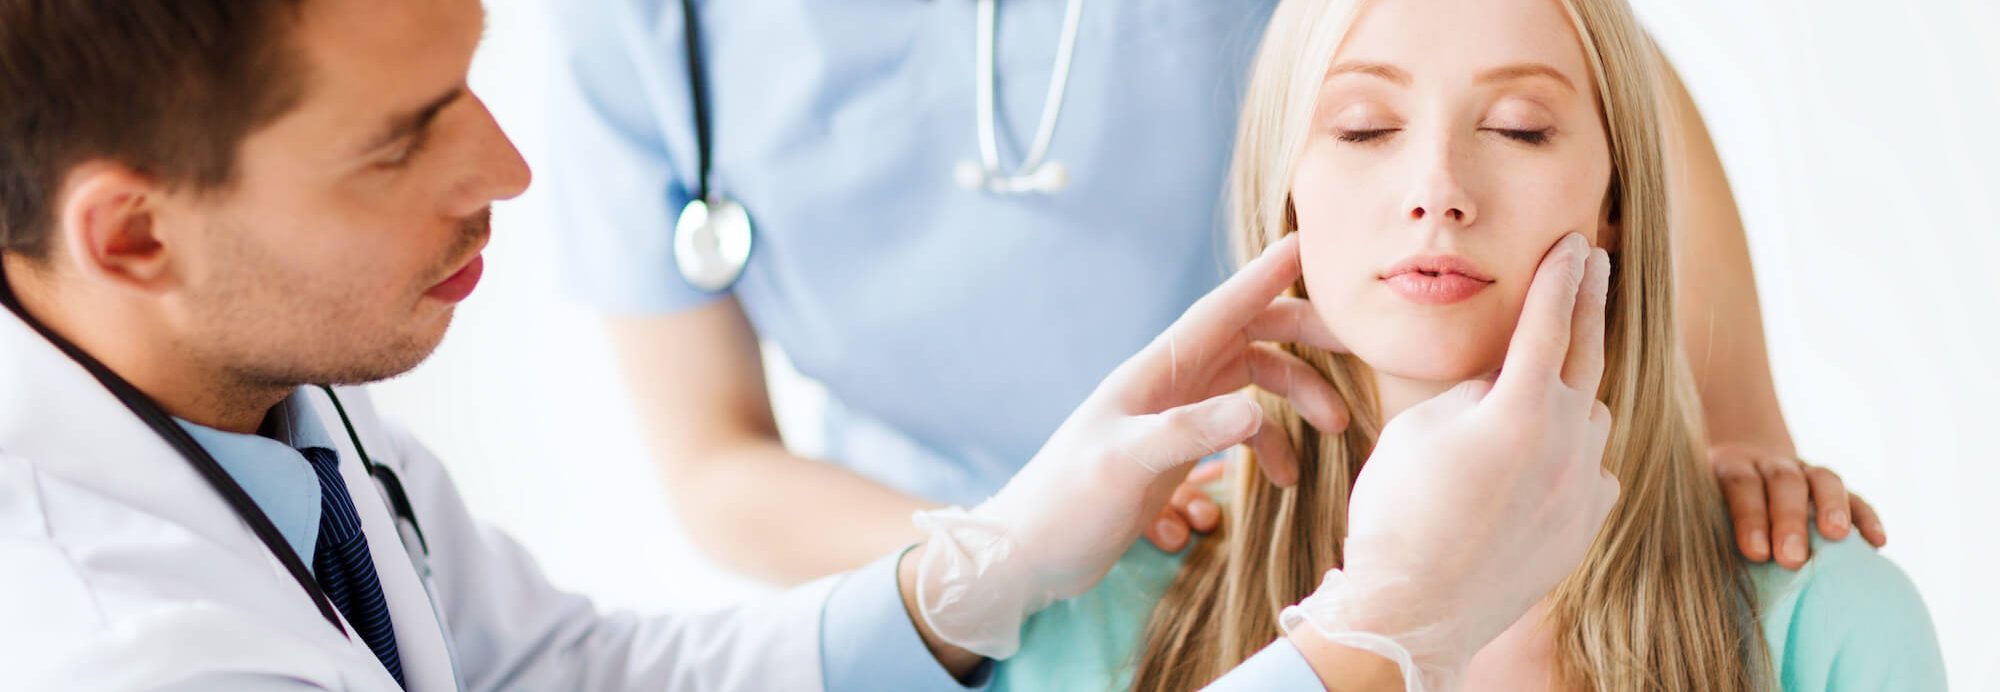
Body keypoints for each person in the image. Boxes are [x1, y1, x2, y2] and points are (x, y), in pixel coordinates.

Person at [0, 0, 1620, 689]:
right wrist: (1382, 632)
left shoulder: (246, 407)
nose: (508, 168)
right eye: (402, 136)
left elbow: (559, 674)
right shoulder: (120, 638)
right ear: (131, 232)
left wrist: (967, 571)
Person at [549, 0, 1881, 584]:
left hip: (1321, 525)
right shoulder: (643, 22)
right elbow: (715, 466)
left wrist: (1734, 419)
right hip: (940, 565)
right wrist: (1024, 543)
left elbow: (1570, 56)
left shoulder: (1821, 619)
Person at [990, 0, 1947, 689]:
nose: (1438, 186)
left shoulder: (1824, 623)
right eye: (1365, 129)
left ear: (1616, 202)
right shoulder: (1110, 612)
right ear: (1288, 194)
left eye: (1519, 129)